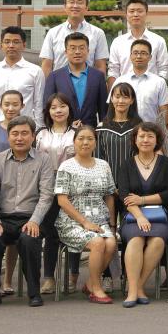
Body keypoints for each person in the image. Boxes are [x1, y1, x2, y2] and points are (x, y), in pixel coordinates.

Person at [0, 115, 55, 308]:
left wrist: (35, 220)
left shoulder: (44, 160)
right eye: (15, 134)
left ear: (33, 137)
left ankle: (34, 293)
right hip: (3, 218)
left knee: (29, 239)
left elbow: (46, 195)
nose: (19, 138)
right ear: (8, 136)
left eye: (24, 133)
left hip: (31, 217)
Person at [54, 124, 118, 304]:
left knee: (111, 243)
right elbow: (62, 200)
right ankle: (96, 289)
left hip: (99, 221)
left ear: (95, 143)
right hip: (72, 222)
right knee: (97, 242)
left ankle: (90, 283)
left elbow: (109, 195)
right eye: (81, 138)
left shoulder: (103, 165)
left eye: (90, 139)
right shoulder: (66, 166)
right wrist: (85, 222)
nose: (85, 142)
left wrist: (112, 224)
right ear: (74, 142)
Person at [117, 122, 168, 308]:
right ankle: (135, 291)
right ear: (135, 140)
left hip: (161, 216)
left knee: (157, 240)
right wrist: (140, 216)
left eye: (150, 136)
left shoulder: (166, 163)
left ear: (157, 140)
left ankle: (136, 287)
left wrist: (143, 200)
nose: (145, 140)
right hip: (132, 216)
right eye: (141, 136)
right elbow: (124, 195)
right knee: (136, 239)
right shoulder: (126, 165)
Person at [36, 93, 78, 294]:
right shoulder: (40, 134)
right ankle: (49, 278)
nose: (58, 110)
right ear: (48, 111)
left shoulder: (77, 133)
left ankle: (73, 275)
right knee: (51, 232)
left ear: (69, 109)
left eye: (62, 106)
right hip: (46, 188)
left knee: (73, 231)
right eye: (53, 107)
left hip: (72, 188)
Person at [0, 25, 44, 123]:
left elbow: (39, 103)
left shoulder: (35, 71)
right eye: (7, 42)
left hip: (24, 125)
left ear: (24, 45)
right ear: (1, 45)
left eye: (16, 42)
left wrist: (38, 127)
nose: (11, 45)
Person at [42, 32, 109, 126]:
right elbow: (47, 107)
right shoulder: (54, 77)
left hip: (91, 130)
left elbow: (103, 110)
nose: (77, 52)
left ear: (88, 51)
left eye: (81, 48)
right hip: (63, 130)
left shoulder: (98, 76)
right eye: (73, 48)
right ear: (66, 52)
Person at [39, 0, 109, 76]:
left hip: (87, 82)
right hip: (59, 82)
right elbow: (46, 65)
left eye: (80, 2)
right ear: (65, 6)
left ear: (86, 7)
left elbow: (100, 66)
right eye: (71, 2)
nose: (75, 6)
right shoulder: (53, 33)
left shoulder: (98, 33)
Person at [107, 0, 168, 85]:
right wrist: (114, 91)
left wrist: (157, 88)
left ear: (146, 14)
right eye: (131, 11)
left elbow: (163, 69)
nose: (136, 14)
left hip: (151, 90)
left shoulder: (158, 41)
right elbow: (113, 71)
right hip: (124, 91)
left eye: (140, 11)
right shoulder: (117, 42)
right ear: (126, 15)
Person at [111, 38, 168, 123]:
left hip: (150, 129)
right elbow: (112, 108)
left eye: (143, 53)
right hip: (124, 129)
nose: (139, 56)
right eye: (135, 53)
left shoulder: (159, 82)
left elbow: (164, 112)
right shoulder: (120, 81)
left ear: (150, 57)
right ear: (130, 56)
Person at [97, 82, 141, 189]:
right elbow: (98, 158)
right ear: (111, 99)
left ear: (132, 100)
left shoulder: (139, 127)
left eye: (125, 97)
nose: (121, 101)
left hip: (134, 184)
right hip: (106, 184)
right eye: (117, 97)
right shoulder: (101, 127)